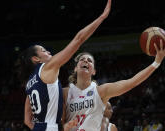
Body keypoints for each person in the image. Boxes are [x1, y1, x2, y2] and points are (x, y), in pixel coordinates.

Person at [21, 0, 112, 130]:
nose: (48, 52)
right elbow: (78, 39)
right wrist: (102, 17)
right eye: (43, 50)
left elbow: (27, 120)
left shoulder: (29, 82)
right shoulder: (48, 67)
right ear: (36, 59)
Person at [63, 38, 165, 131]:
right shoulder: (65, 93)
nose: (86, 61)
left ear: (93, 71)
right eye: (82, 59)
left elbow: (132, 82)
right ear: (75, 68)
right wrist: (65, 127)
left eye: (89, 60)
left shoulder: (101, 91)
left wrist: (156, 63)